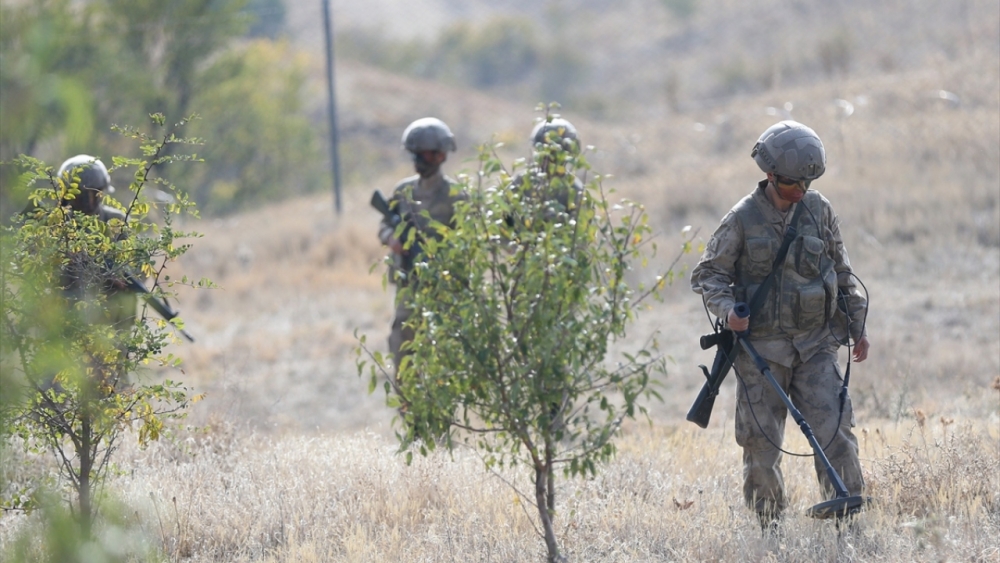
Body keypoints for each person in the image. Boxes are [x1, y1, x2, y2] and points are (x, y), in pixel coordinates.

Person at [690, 120, 870, 531]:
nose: (800, 191)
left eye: (807, 183)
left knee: (835, 430)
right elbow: (707, 275)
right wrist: (728, 311)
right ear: (770, 175)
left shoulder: (819, 210)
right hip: (761, 351)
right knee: (761, 445)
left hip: (815, 344)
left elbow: (842, 273)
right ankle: (769, 528)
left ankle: (847, 517)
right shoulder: (741, 219)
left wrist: (857, 326)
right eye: (791, 183)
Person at [377, 117, 465, 375]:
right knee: (403, 345)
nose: (419, 160)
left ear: (440, 156)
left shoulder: (456, 196)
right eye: (415, 154)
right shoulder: (403, 191)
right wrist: (391, 238)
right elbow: (384, 224)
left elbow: (467, 241)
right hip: (408, 283)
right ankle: (408, 399)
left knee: (446, 352)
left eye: (424, 154)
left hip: (444, 287)